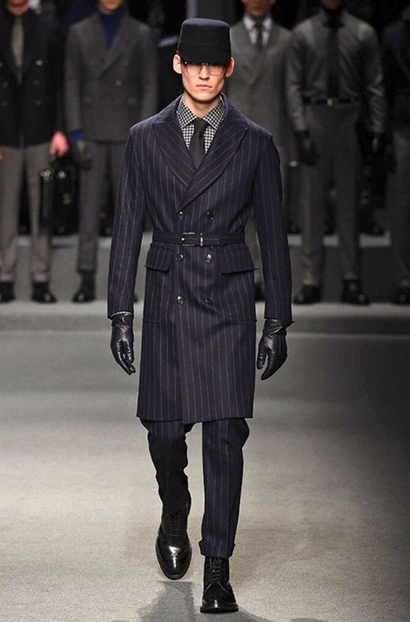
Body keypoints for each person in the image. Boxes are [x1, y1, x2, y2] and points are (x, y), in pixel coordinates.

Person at [107, 18, 292, 614]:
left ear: (229, 69)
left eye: (216, 64)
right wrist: (119, 313)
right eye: (195, 63)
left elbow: (273, 235)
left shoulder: (255, 142)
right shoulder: (145, 138)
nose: (205, 73)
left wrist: (277, 319)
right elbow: (127, 227)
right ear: (178, 65)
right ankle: (175, 506)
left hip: (228, 298)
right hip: (169, 294)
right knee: (164, 433)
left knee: (225, 435)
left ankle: (218, 567)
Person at [286, 0, 386, 304]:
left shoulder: (362, 33)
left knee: (349, 203)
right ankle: (311, 278)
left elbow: (374, 84)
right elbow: (293, 84)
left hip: (349, 117)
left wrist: (378, 129)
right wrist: (300, 129)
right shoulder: (303, 34)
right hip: (315, 115)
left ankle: (350, 277)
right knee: (311, 205)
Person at [65, 0, 158, 303]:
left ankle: (124, 283)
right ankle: (86, 279)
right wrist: (75, 131)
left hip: (127, 132)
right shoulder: (79, 32)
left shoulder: (141, 33)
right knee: (88, 210)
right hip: (91, 130)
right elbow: (72, 83)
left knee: (127, 214)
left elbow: (149, 85)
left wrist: (144, 132)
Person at [0, 0, 68, 303]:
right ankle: (5, 278)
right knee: (5, 209)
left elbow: (59, 82)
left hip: (40, 128)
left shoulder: (47, 27)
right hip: (4, 131)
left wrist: (60, 129)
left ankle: (41, 279)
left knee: (43, 209)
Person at [226, 0, 296, 302]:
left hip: (274, 135)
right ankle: (248, 276)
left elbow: (292, 92)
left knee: (272, 213)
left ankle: (272, 279)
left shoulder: (288, 40)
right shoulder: (228, 37)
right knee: (239, 213)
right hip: (236, 135)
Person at [382, 3, 410, 305]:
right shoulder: (394, 35)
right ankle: (403, 279)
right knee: (401, 206)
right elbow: (385, 88)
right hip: (403, 125)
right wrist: (385, 135)